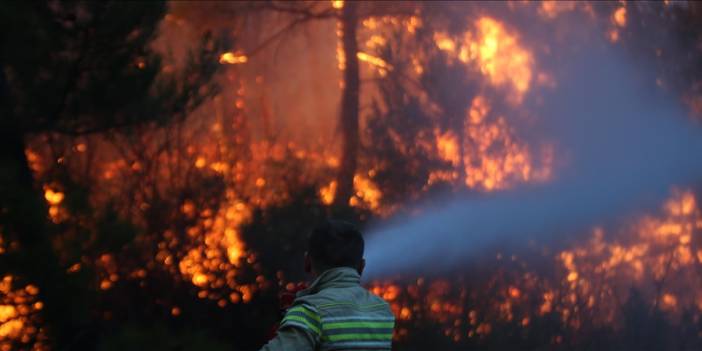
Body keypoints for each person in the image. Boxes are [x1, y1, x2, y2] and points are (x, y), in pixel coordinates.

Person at [260, 220, 395, 350]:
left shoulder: (309, 312)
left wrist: (290, 320)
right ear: (361, 267)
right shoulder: (383, 310)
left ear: (307, 262)